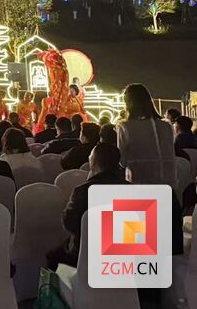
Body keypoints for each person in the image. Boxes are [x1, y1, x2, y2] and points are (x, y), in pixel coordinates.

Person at [117, 83, 183, 254]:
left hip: (140, 193)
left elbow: (121, 161)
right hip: (168, 192)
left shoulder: (125, 127)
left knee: (138, 250)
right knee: (171, 250)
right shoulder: (166, 126)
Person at [48, 143, 127, 268]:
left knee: (52, 255)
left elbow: (69, 223)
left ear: (93, 163)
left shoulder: (83, 191)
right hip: (122, 252)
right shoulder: (130, 189)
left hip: (84, 254)